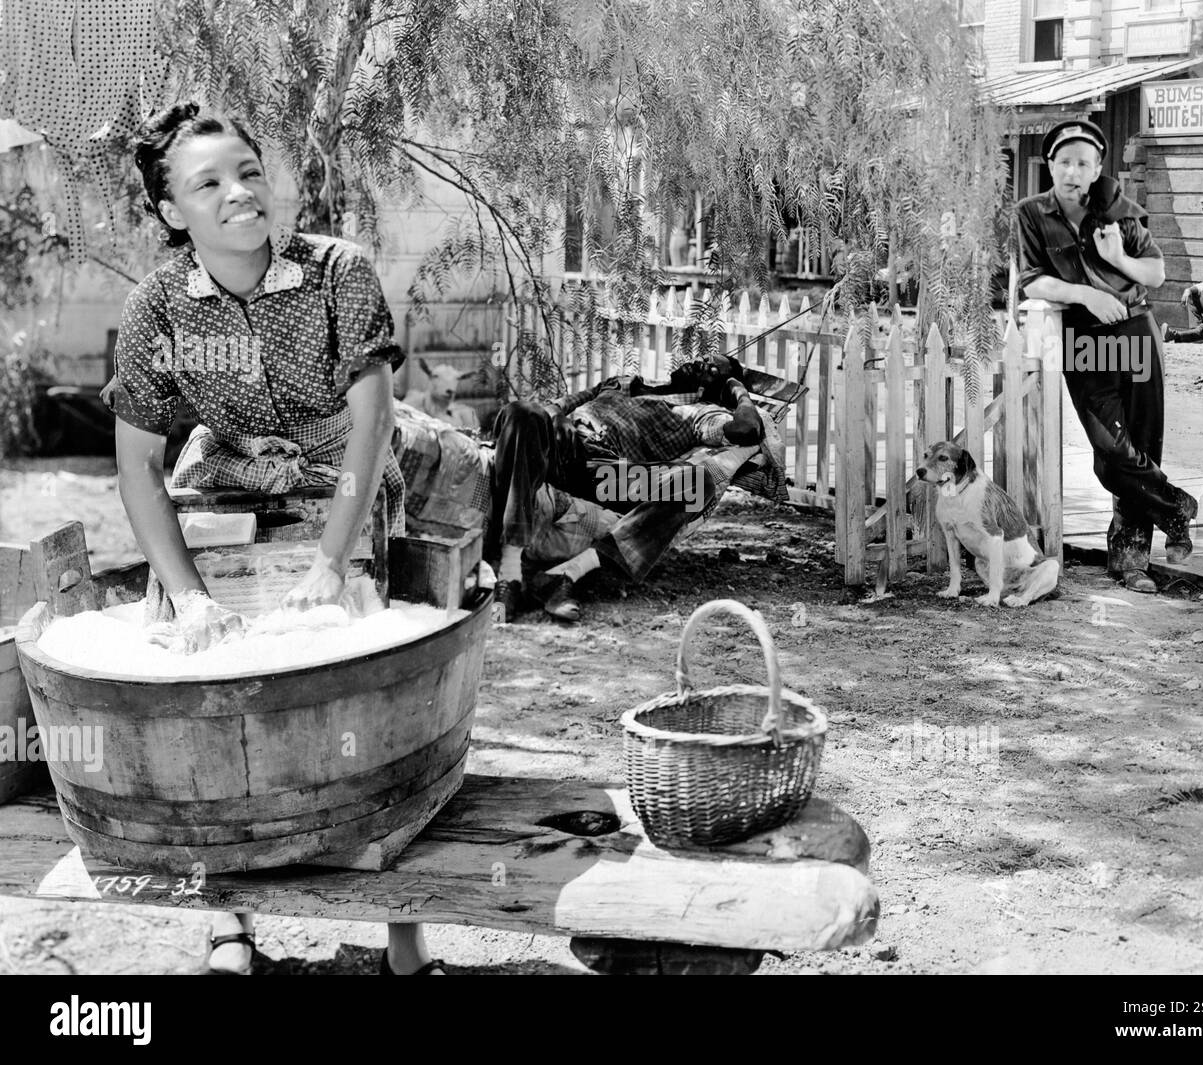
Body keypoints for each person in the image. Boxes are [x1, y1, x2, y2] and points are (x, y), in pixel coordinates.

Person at [107, 102, 448, 975]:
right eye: (208, 183)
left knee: (363, 676)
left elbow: (372, 425)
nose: (239, 193)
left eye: (250, 172)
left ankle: (399, 923)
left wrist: (331, 564)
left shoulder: (339, 273)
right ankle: (229, 917)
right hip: (225, 472)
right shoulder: (155, 310)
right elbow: (141, 468)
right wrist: (189, 592)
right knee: (210, 682)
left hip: (344, 473)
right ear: (171, 213)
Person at [1013, 119, 1198, 593]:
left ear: (1097, 169)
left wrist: (1118, 259)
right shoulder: (1030, 214)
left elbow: (1155, 274)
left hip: (1135, 331)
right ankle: (1177, 506)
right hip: (1085, 338)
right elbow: (1032, 280)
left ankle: (1131, 559)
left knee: (1141, 441)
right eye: (1064, 161)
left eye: (1084, 163)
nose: (1073, 171)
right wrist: (1085, 294)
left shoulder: (1120, 212)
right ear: (1050, 164)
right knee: (1111, 449)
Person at [486, 353, 769, 622]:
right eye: (704, 358)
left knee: (696, 484)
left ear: (718, 387)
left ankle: (566, 573)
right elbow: (555, 405)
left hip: (607, 476)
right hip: (561, 449)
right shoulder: (621, 383)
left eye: (713, 369)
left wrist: (737, 389)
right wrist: (556, 418)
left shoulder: (700, 413)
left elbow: (747, 429)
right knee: (520, 411)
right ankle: (510, 573)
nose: (700, 363)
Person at [405, 360, 482, 432]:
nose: (450, 387)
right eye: (436, 377)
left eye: (457, 379)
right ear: (431, 379)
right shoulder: (412, 406)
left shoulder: (465, 414)